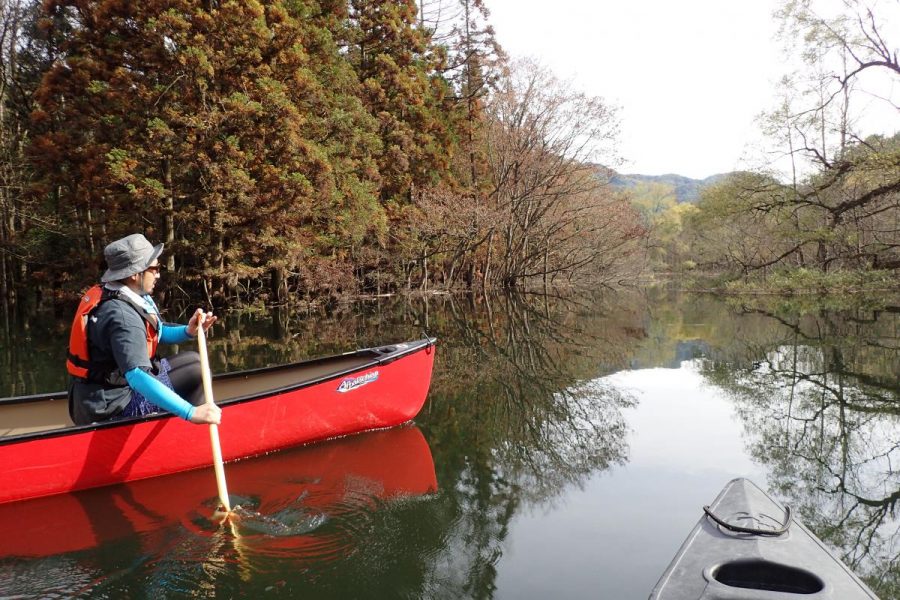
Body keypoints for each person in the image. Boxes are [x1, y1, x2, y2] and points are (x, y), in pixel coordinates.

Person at [67, 233, 222, 426]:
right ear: (135, 273)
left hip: (97, 396)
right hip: (110, 407)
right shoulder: (122, 316)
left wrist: (188, 331)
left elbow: (158, 331)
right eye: (154, 268)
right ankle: (190, 429)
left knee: (194, 362)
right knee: (195, 373)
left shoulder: (125, 293)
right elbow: (137, 376)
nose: (158, 274)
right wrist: (190, 412)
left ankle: (180, 422)